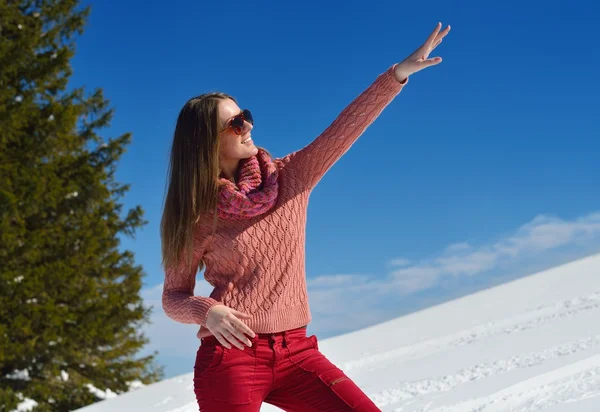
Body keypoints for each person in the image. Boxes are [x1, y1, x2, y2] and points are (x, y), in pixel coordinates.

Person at [160, 22, 450, 412]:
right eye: (235, 123)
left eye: (244, 116)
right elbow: (173, 296)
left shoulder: (291, 176)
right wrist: (206, 311)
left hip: (297, 351)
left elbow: (342, 131)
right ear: (206, 142)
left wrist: (396, 76)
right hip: (232, 358)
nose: (248, 126)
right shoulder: (196, 217)